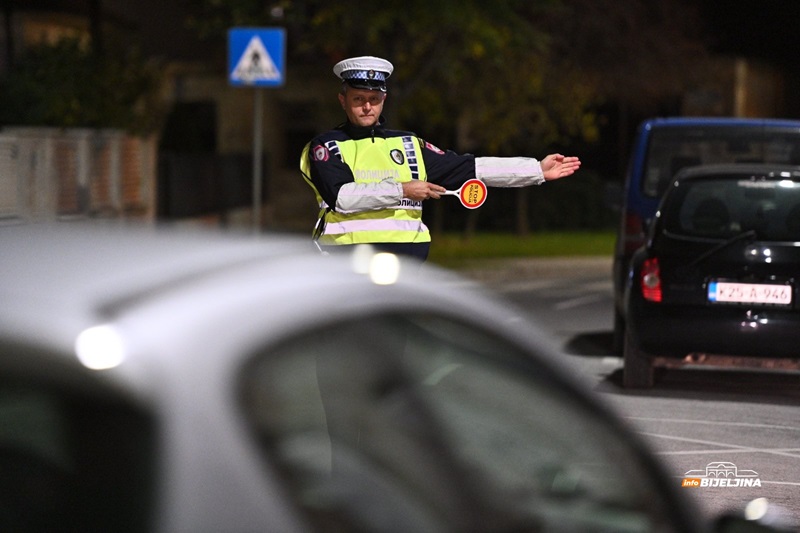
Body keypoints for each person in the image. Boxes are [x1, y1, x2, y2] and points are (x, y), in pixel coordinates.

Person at [300, 56, 581, 261]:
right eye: (358, 99)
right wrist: (403, 190)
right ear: (343, 100)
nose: (367, 107)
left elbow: (472, 167)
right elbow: (343, 197)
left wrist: (537, 170)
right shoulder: (326, 146)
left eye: (374, 98)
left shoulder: (408, 143)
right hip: (345, 258)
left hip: (406, 259)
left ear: (385, 99)